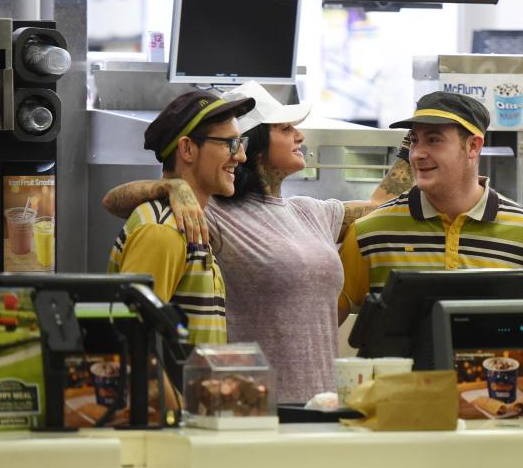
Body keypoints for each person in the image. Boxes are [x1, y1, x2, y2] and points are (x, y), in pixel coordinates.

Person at [104, 82, 414, 402]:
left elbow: (377, 208)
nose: (300, 135)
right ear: (257, 145)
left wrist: (412, 147)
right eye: (285, 128)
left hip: (320, 404)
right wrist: (170, 189)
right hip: (254, 410)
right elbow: (117, 204)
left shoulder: (309, 212)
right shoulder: (204, 213)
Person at [339, 91, 523, 324]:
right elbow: (326, 326)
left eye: (433, 140)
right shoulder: (369, 234)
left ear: (473, 146)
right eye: (414, 141)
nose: (418, 154)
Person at [108, 89, 255, 345]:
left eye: (241, 144)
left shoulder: (186, 222)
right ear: (187, 148)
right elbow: (134, 341)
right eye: (230, 143)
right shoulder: (162, 232)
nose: (241, 156)